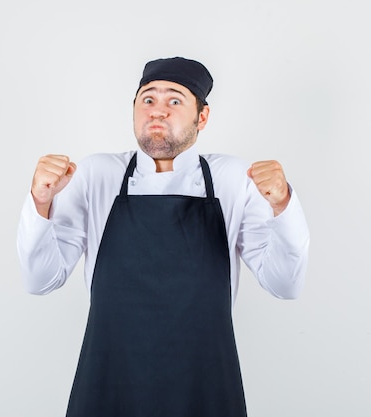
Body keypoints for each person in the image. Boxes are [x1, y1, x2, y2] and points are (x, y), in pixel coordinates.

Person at [17, 57, 309, 416]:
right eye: (148, 99)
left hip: (204, 385)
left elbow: (285, 284)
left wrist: (283, 205)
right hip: (110, 382)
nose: (157, 111)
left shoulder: (233, 178)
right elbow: (40, 280)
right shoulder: (96, 174)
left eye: (174, 101)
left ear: (202, 117)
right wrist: (41, 202)